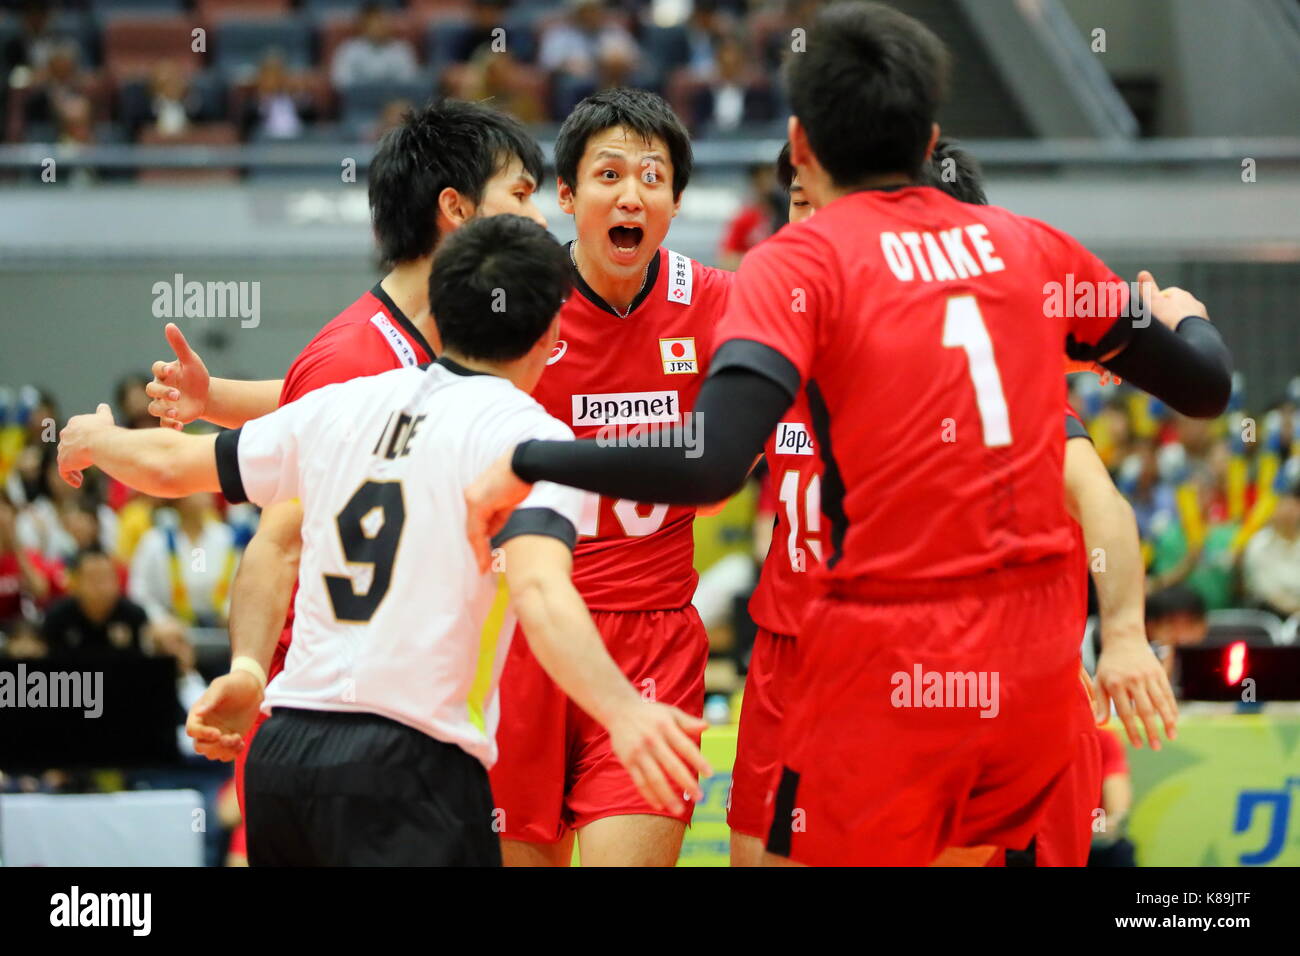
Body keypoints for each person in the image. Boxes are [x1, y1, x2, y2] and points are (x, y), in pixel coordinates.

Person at [461, 1, 1232, 866]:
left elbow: (709, 461)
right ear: (929, 130)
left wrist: (532, 455)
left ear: (802, 145)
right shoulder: (1032, 249)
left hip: (885, 660)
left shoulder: (801, 266)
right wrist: (1185, 316)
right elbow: (1204, 385)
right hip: (1021, 670)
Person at [57, 216, 710, 866]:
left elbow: (173, 464)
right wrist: (624, 711)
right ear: (552, 333)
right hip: (407, 766)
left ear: (441, 316)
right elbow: (540, 590)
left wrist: (93, 440)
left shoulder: (346, 403)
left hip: (286, 756)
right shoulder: (530, 441)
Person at [138, 99, 548, 828]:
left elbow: (319, 414)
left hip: (363, 725)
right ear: (456, 210)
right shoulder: (360, 354)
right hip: (331, 729)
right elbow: (278, 540)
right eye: (520, 195)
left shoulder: (413, 347)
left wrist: (217, 395)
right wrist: (247, 671)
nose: (541, 219)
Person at [42, 548, 148, 658]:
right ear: (77, 584)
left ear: (117, 582)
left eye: (105, 578)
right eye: (93, 579)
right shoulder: (57, 617)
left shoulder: (135, 616)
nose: (100, 586)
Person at [1241, 476, 1300, 617]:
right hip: (1270, 612)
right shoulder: (1259, 543)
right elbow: (1266, 591)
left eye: (1294, 506)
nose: (1289, 512)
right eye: (1283, 506)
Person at [330, 4, 420, 90]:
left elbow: (410, 82)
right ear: (363, 25)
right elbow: (339, 81)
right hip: (359, 101)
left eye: (384, 21)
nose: (380, 26)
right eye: (375, 22)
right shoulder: (349, 49)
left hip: (394, 100)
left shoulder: (402, 49)